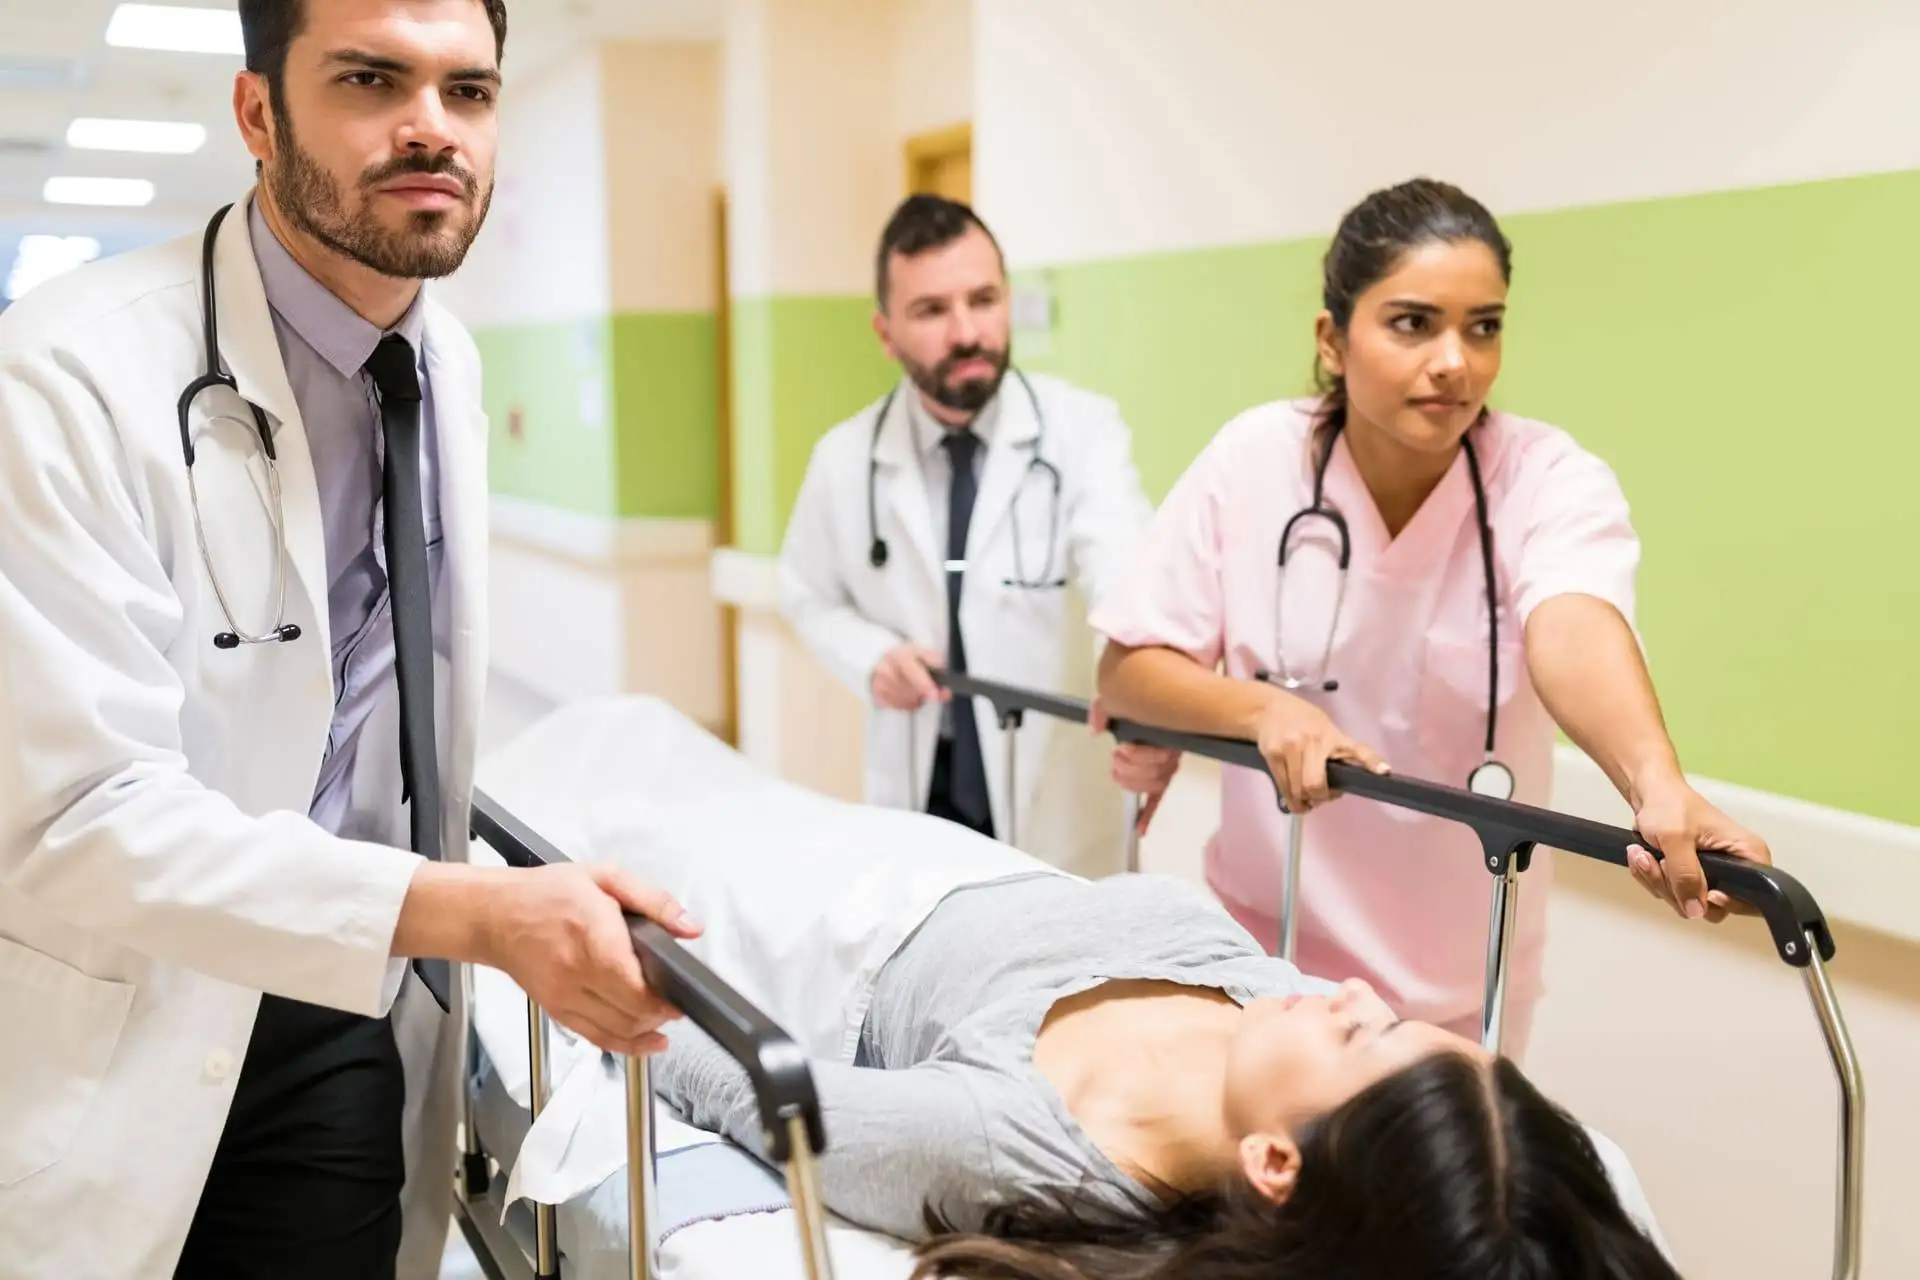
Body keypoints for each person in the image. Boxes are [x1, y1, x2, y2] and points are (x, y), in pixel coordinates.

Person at [0, 2, 692, 1277]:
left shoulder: (446, 369)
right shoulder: (61, 380)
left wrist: (438, 918)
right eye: (372, 78)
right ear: (258, 113)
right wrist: (479, 912)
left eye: (469, 91)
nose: (431, 126)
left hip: (340, 1003)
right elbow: (80, 811)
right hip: (122, 1013)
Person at [1092, 177, 1772, 1060]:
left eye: (1483, 326)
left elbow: (1571, 623)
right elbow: (1130, 665)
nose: (1456, 360)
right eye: (1414, 323)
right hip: (1266, 957)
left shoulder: (1545, 478)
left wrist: (1655, 784)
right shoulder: (1257, 458)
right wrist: (1268, 711)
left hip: (1462, 984)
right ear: (1333, 340)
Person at [655, 870, 1677, 1279]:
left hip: (816, 901)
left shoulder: (1005, 1142)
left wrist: (605, 949)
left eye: (1363, 1035)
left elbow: (728, 1075)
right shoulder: (1278, 1026)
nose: (1353, 988)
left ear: (1276, 1161)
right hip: (964, 853)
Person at [779, 194, 1178, 867]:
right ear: (885, 333)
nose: (967, 331)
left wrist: (1153, 698)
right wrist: (872, 656)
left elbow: (1124, 581)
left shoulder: (1083, 432)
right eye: (932, 310)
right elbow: (804, 593)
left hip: (1054, 790)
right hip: (920, 783)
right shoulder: (844, 460)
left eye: (984, 299)